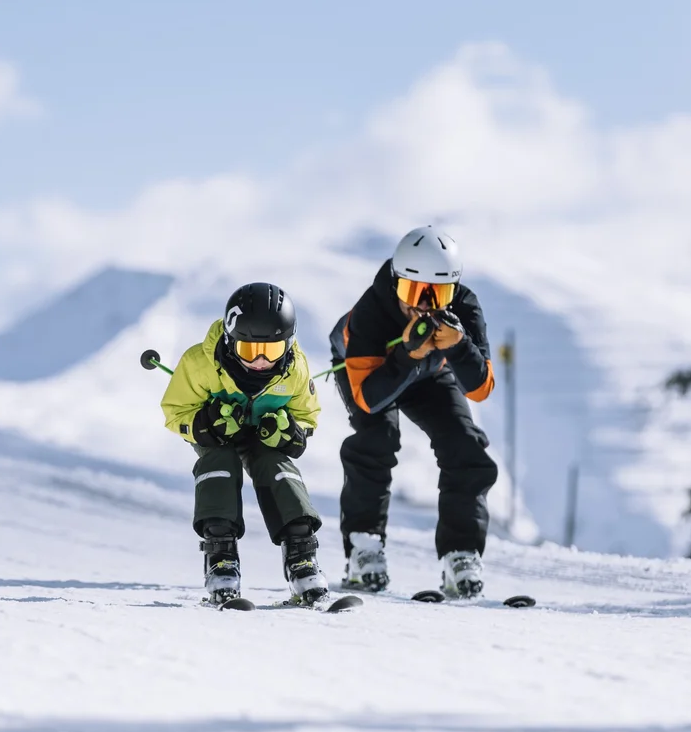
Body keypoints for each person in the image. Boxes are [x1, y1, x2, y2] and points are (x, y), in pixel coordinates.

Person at [329, 226, 498, 598]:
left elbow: (480, 388)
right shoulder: (373, 309)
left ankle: (461, 552)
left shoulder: (464, 308)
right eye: (413, 291)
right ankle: (363, 546)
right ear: (396, 281)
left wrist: (459, 345)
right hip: (369, 373)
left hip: (430, 374)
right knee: (377, 438)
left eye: (437, 294)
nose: (423, 305)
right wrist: (407, 355)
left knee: (466, 445)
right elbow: (368, 399)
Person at [161, 282, 329, 606]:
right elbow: (174, 410)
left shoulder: (295, 370)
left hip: (263, 439)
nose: (261, 361)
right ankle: (221, 557)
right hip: (220, 436)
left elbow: (307, 416)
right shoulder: (200, 363)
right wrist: (206, 423)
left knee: (277, 467)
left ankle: (302, 557)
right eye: (249, 350)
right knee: (219, 464)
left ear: (289, 344)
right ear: (229, 339)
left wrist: (290, 433)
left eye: (273, 350)